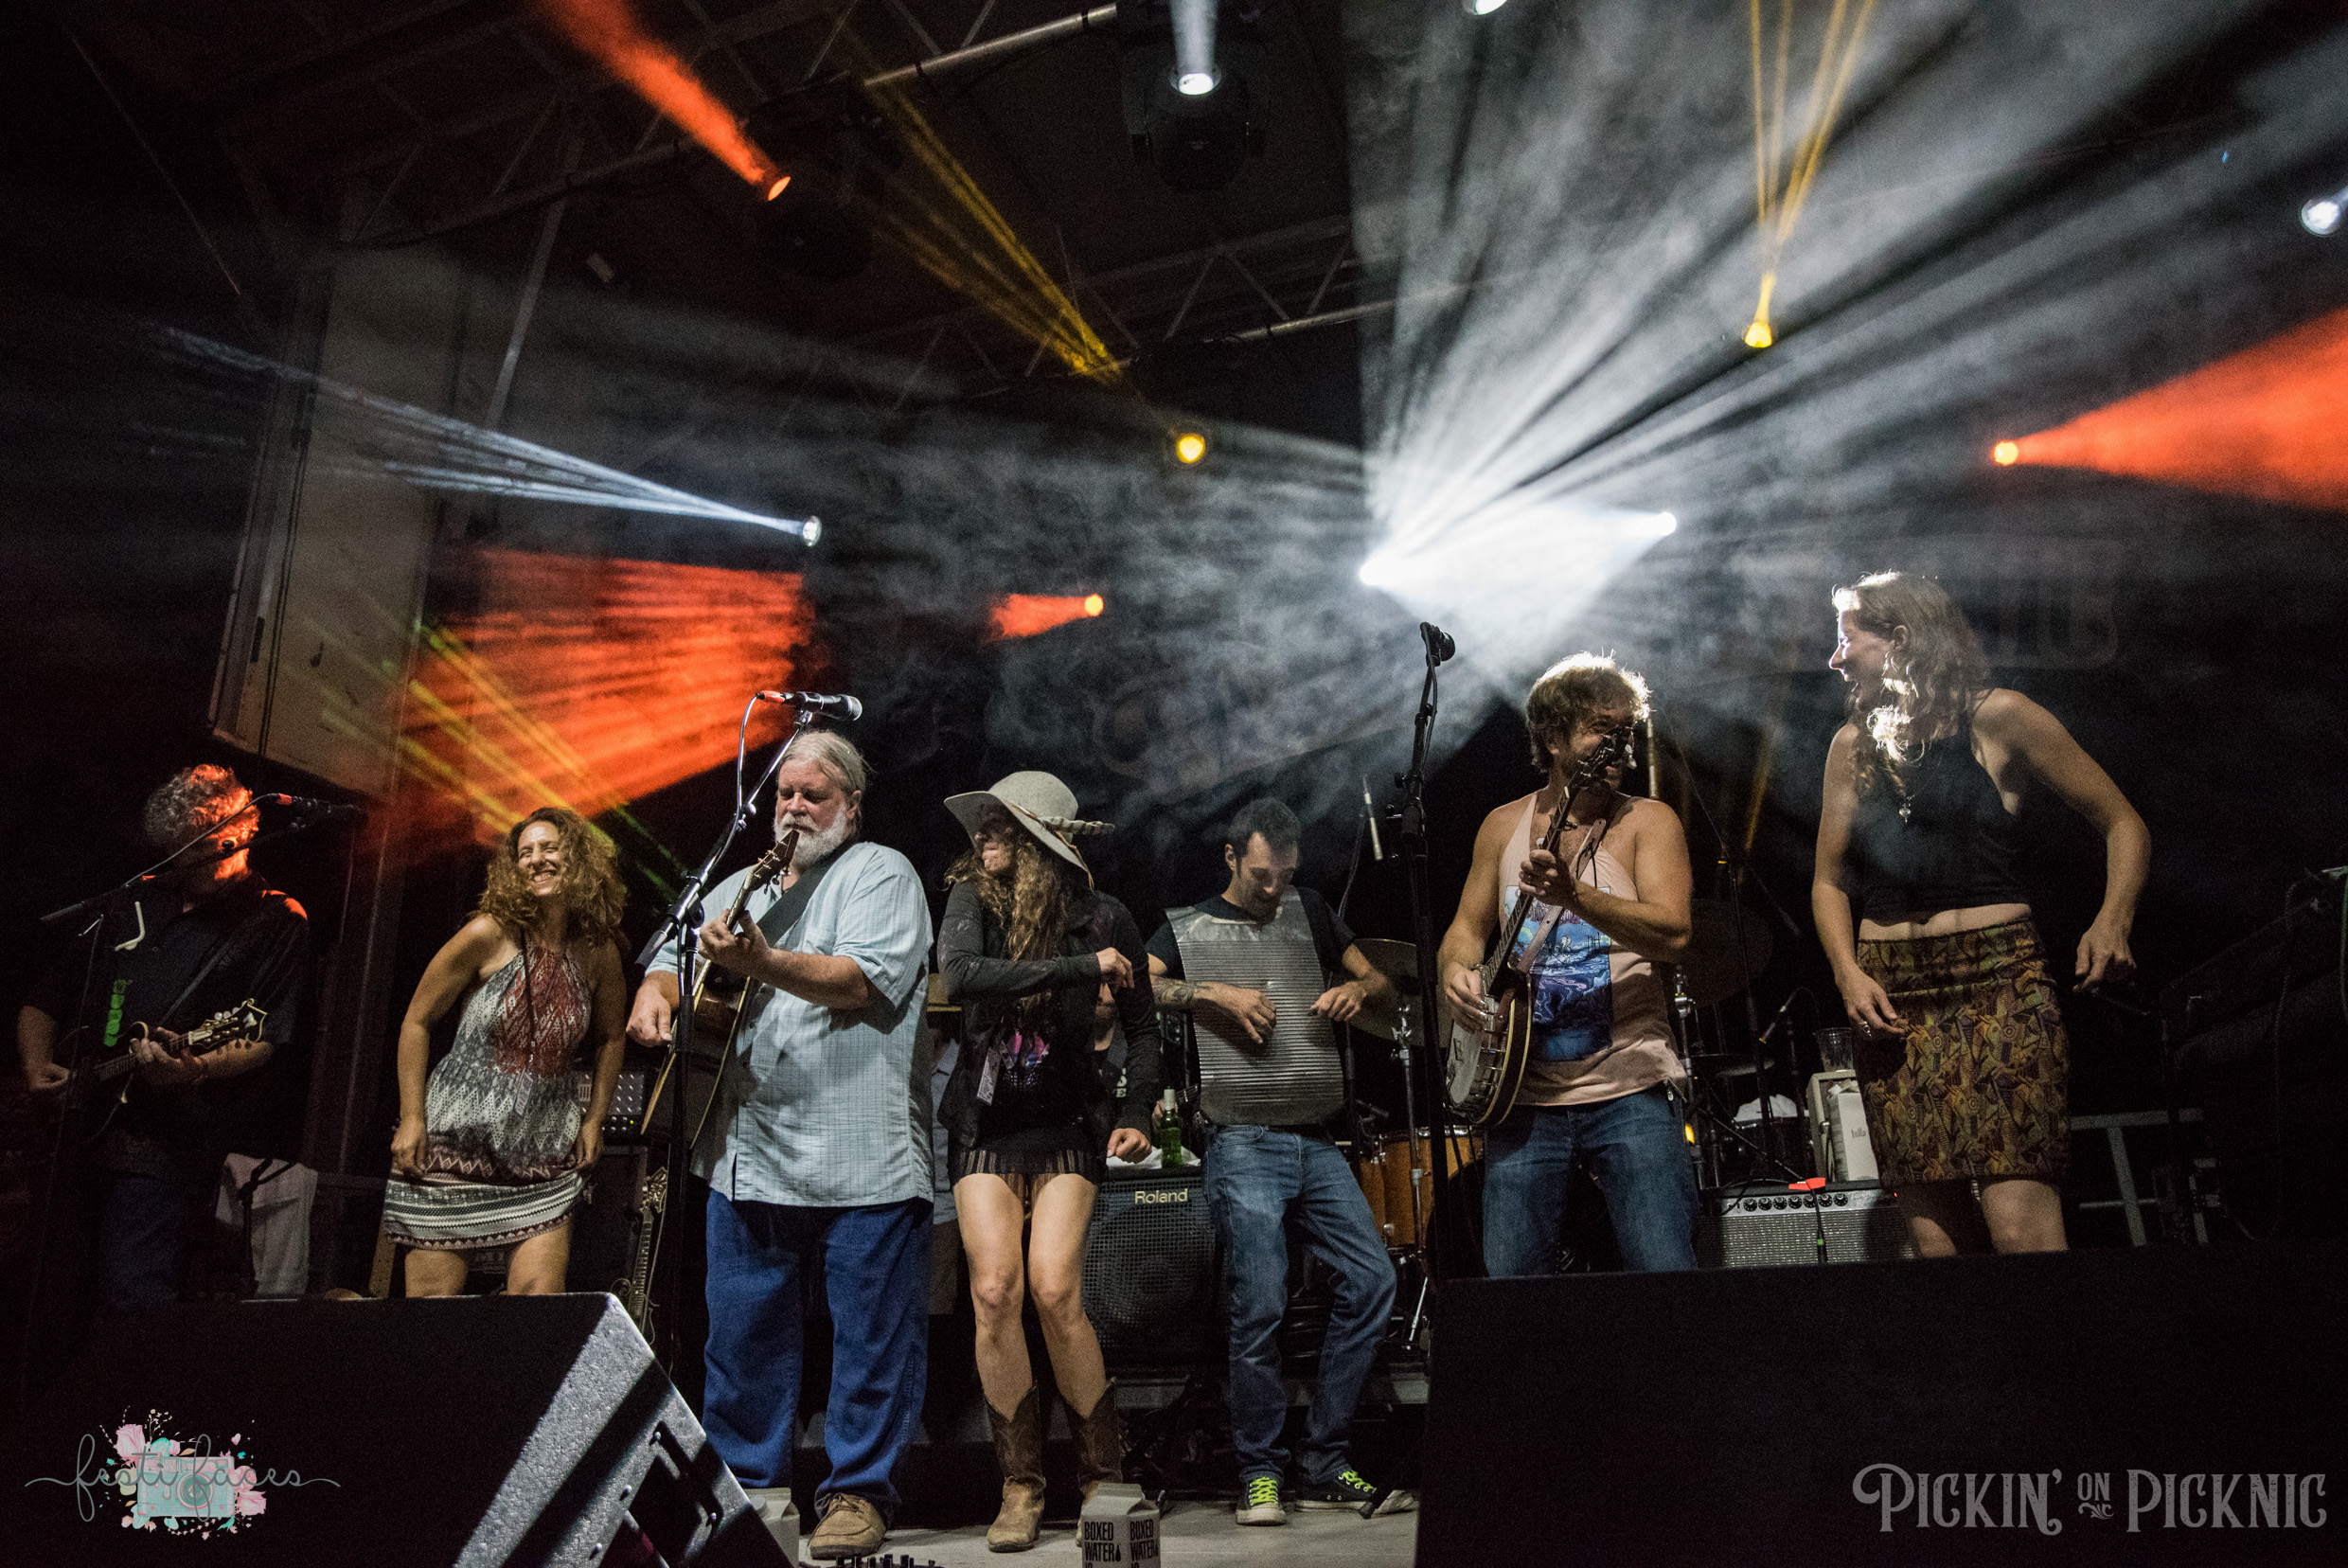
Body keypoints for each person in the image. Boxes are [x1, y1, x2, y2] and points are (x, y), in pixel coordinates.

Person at [626, 731, 933, 1562]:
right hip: (748, 1147)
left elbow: (861, 980)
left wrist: (760, 959)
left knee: (870, 1339)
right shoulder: (736, 886)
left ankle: (859, 1491)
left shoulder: (882, 873)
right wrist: (656, 991)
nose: (795, 808)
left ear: (851, 808)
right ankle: (749, 1489)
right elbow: (671, 956)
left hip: (863, 1149)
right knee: (742, 1337)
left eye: (814, 795)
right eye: (785, 794)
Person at [1812, 571, 2146, 1256]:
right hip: (1893, 997)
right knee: (1935, 1243)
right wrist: (1847, 973)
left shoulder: (2001, 715)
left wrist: (2112, 920)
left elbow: (2123, 823)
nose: (1835, 659)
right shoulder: (1852, 744)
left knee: (2020, 1227)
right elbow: (1828, 881)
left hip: (1998, 981)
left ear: (1899, 638)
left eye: (1847, 640)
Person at [1146, 797, 1400, 1526]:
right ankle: (1260, 1471)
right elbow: (1138, 984)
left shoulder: (1311, 910)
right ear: (1231, 857)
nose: (1273, 888)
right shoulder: (1189, 925)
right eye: (1261, 874)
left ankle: (1324, 1459)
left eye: (1284, 874)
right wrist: (1214, 992)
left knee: (1373, 1281)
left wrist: (1356, 990)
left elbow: (1381, 983)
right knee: (1259, 1301)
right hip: (1241, 1137)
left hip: (1315, 1138)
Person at [934, 772, 1161, 1552]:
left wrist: (1137, 1113)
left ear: (1042, 844)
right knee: (994, 1290)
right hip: (986, 1125)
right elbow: (962, 977)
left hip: (1067, 1121)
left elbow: (1145, 1029)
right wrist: (1082, 968)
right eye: (982, 824)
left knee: (1055, 1288)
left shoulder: (1104, 917)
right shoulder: (972, 900)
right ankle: (1021, 1485)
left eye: (1000, 826)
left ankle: (1104, 1479)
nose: (982, 837)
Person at [18, 764, 311, 1311]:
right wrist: (37, 1069)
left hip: (165, 1148)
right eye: (174, 851)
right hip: (73, 1136)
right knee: (47, 1290)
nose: (180, 862)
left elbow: (267, 1034)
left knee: (133, 1293)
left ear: (236, 836)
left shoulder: (275, 917)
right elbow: (43, 1001)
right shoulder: (134, 901)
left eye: (195, 849)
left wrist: (193, 1069)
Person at [1438, 655, 1696, 1276]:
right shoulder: (1502, 827)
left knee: (1667, 1278)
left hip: (1630, 1087)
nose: (1619, 746)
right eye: (1601, 729)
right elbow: (1465, 933)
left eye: (1626, 731)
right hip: (1522, 1097)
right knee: (1514, 1288)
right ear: (1553, 738)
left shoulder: (1648, 821)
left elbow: (1675, 934)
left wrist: (1575, 895)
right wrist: (1455, 973)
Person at [382, 807, 628, 1294]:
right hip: (455, 1145)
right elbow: (416, 1022)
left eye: (549, 848)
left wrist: (594, 1119)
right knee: (430, 1311)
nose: (536, 860)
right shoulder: (486, 934)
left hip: (544, 1152)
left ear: (577, 859)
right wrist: (412, 1117)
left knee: (535, 1311)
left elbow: (611, 1037)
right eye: (524, 852)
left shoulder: (598, 952)